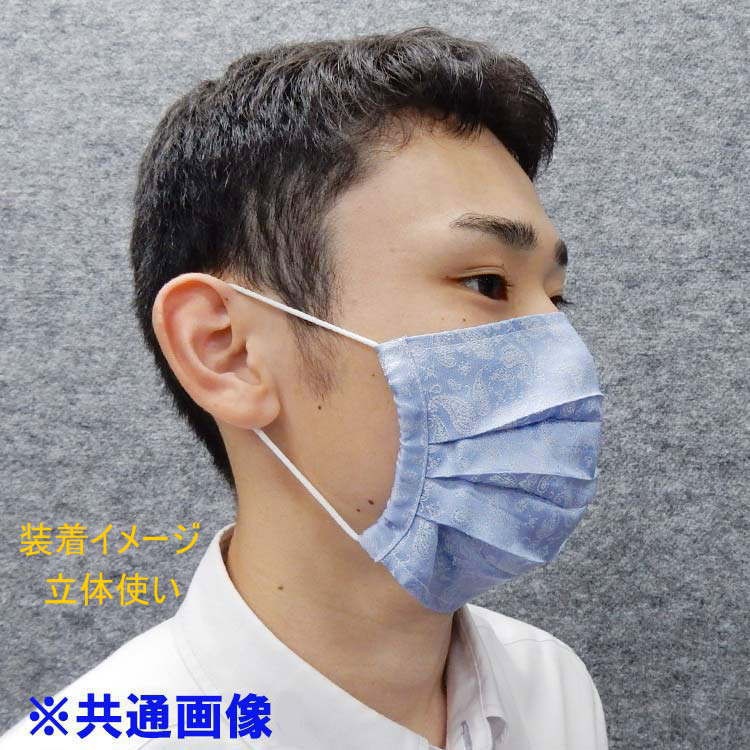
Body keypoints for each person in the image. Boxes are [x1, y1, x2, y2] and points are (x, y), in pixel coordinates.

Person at [1, 25, 608, 750]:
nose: (564, 355)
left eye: (556, 299)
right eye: (486, 283)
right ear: (227, 351)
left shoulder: (553, 690)